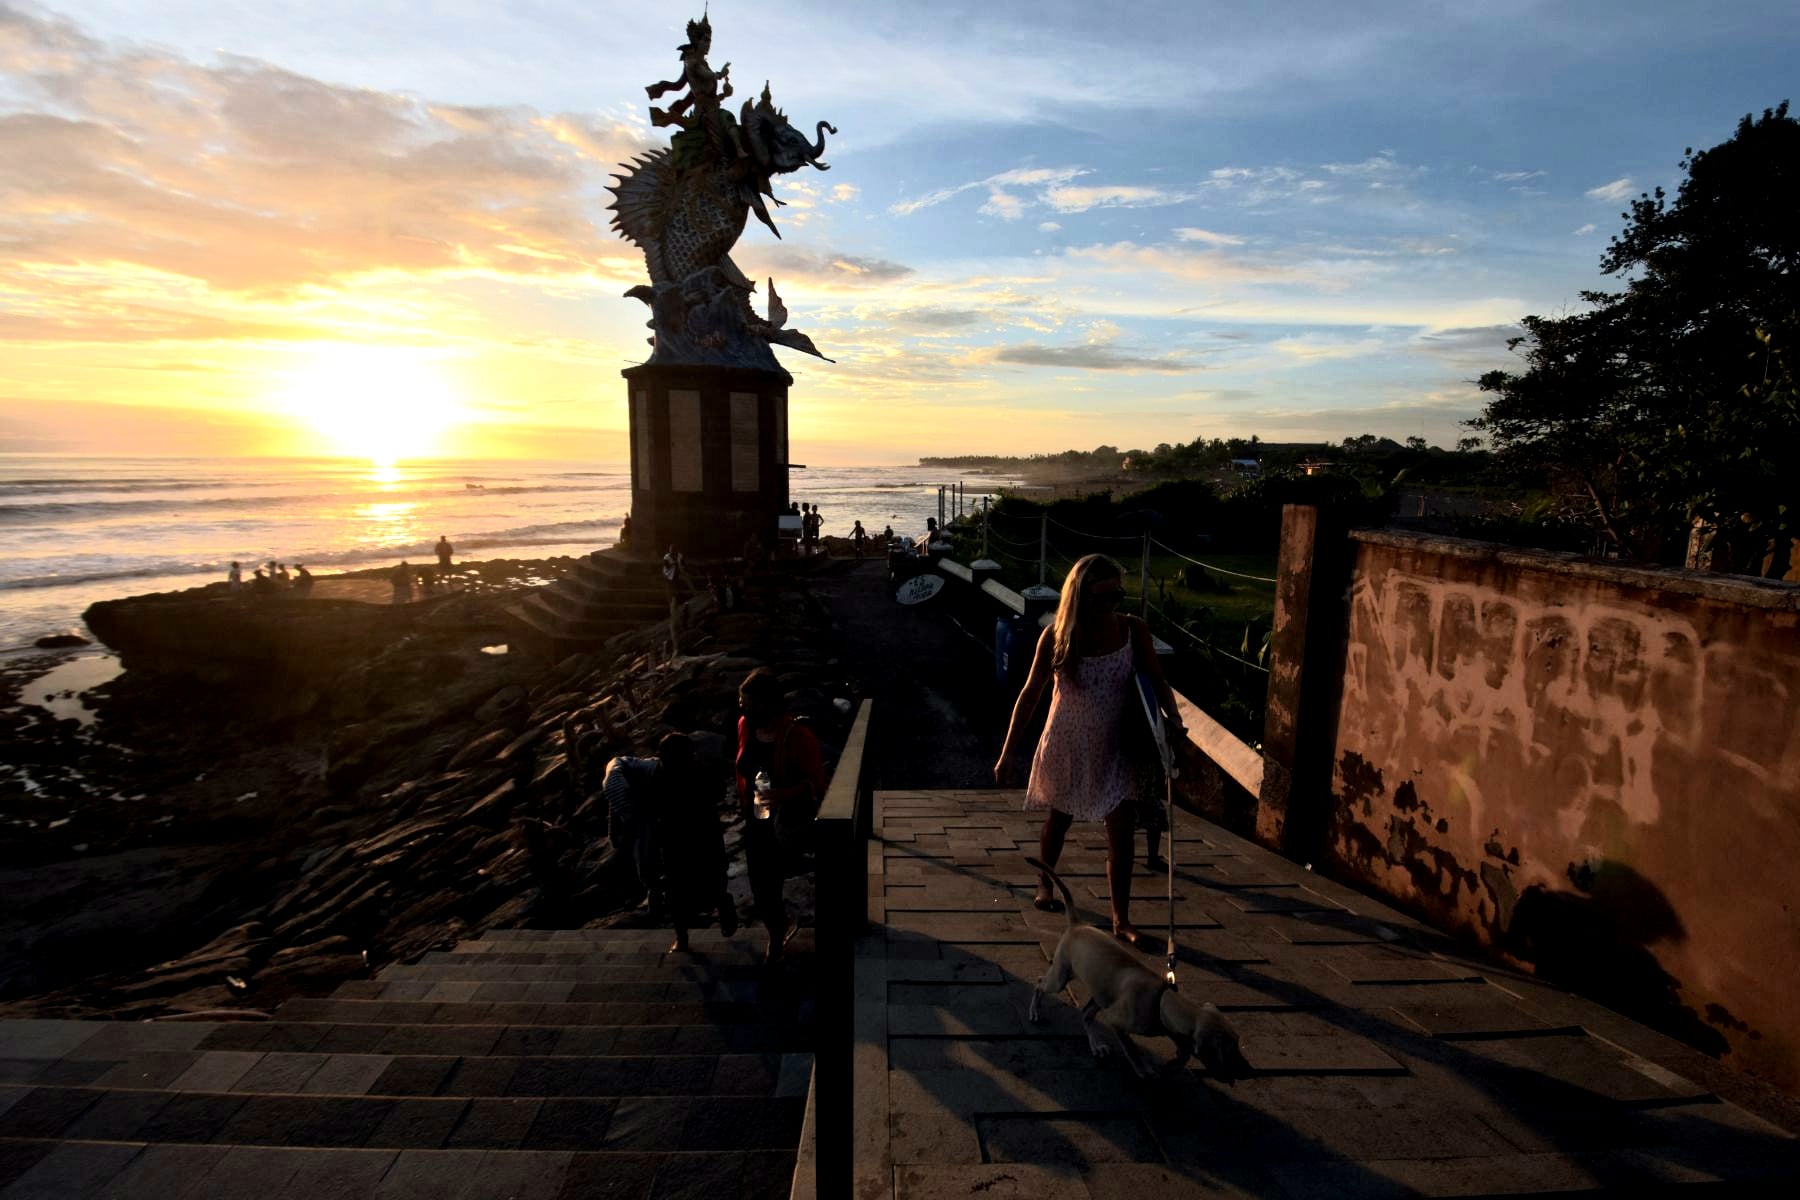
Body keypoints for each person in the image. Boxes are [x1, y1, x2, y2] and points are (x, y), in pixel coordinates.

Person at [994, 554, 1185, 946]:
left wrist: (1174, 723)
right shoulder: (1058, 636)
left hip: (1116, 746)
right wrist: (1007, 752)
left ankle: (1121, 919)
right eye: (1103, 597)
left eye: (1118, 595)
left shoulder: (1134, 631)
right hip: (1069, 742)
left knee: (1122, 830)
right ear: (1080, 597)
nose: (1112, 604)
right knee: (1058, 821)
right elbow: (1030, 694)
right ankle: (1045, 882)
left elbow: (1157, 680)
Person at [734, 668, 824, 964]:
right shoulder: (745, 726)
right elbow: (742, 766)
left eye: (749, 704)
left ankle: (780, 934)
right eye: (741, 703)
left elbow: (816, 784)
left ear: (770, 703)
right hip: (755, 817)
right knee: (761, 885)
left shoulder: (799, 736)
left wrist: (781, 795)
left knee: (776, 875)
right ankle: (776, 930)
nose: (744, 709)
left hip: (787, 821)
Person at [655, 732, 738, 953]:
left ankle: (683, 937)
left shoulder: (663, 774)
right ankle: (719, 907)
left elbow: (655, 808)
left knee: (679, 891)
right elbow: (719, 793)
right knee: (703, 882)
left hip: (684, 841)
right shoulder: (698, 770)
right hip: (700, 838)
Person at [602, 752, 665, 915]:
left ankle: (657, 893)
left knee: (647, 854)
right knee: (645, 854)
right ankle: (655, 892)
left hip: (650, 796)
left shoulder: (617, 778)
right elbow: (615, 809)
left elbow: (616, 809)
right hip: (644, 805)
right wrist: (614, 835)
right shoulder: (616, 779)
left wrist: (615, 835)